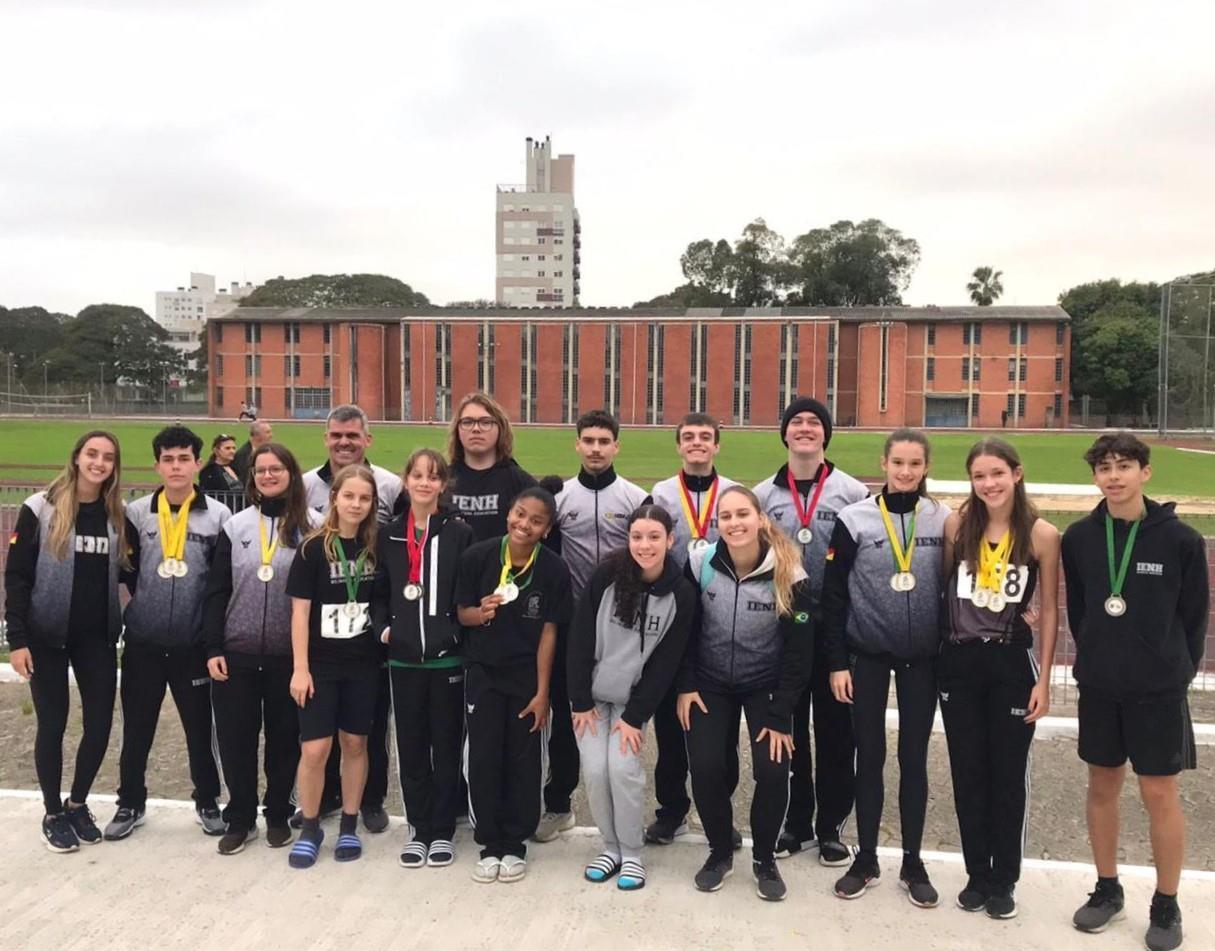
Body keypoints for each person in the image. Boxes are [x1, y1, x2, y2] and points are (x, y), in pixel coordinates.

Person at [1063, 433, 1207, 951]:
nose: (1114, 476)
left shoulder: (1181, 541)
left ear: (1145, 471)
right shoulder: (1079, 537)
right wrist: (1101, 658)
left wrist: (1174, 672)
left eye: (1124, 465)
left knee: (1159, 794)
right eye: (1104, 467)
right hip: (1100, 686)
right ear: (1095, 476)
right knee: (1102, 787)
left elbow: (1193, 619)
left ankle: (1166, 902)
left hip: (1157, 691)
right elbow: (1079, 611)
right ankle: (1107, 889)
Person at [822, 429, 951, 905]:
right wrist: (837, 662)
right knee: (869, 757)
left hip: (923, 660)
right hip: (867, 656)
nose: (905, 471)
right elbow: (834, 597)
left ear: (925, 468)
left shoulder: (943, 517)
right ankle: (868, 857)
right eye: (898, 462)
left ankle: (913, 861)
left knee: (913, 760)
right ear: (884, 462)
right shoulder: (853, 518)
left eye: (915, 464)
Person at [939, 437, 1059, 920]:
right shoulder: (956, 526)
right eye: (979, 476)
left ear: (1017, 473)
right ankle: (976, 874)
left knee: (1007, 776)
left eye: (997, 473)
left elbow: (1049, 609)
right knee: (967, 773)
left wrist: (1045, 679)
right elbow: (944, 591)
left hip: (1011, 663)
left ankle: (1005, 878)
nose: (989, 484)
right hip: (961, 662)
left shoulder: (1042, 535)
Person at [678, 485, 814, 902]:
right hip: (710, 682)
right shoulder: (700, 562)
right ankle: (720, 850)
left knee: (773, 771)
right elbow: (682, 629)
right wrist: (685, 685)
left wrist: (782, 712)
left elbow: (799, 650)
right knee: (705, 766)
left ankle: (765, 858)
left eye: (743, 515)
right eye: (726, 517)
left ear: (760, 519)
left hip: (766, 686)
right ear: (717, 524)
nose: (734, 523)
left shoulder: (789, 572)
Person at [753, 397, 867, 866]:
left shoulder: (853, 492)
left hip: (838, 633)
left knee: (839, 733)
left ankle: (832, 828)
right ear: (784, 434)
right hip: (785, 632)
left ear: (825, 435)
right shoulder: (763, 495)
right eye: (795, 422)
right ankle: (796, 823)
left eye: (814, 422)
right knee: (790, 730)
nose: (804, 428)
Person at [104, 425, 231, 841]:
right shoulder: (137, 513)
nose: (176, 467)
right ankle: (130, 802)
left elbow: (219, 586)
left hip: (192, 645)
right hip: (143, 641)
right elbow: (126, 571)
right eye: (168, 459)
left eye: (184, 459)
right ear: (157, 465)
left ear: (198, 463)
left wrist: (211, 637)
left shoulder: (218, 516)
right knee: (137, 727)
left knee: (200, 728)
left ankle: (208, 800)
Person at [5, 431, 127, 852]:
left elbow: (130, 571)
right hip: (46, 636)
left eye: (108, 457)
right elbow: (17, 577)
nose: (99, 463)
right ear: (77, 457)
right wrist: (16, 638)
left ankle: (77, 803)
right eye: (92, 454)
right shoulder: (40, 508)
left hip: (96, 638)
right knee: (53, 724)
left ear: (114, 466)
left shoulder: (116, 515)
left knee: (99, 724)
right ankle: (52, 812)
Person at [568, 504, 697, 891]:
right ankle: (610, 847)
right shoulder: (608, 575)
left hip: (631, 703)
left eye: (654, 537)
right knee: (594, 770)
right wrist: (579, 701)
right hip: (590, 698)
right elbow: (579, 638)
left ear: (670, 540)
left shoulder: (681, 593)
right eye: (637, 536)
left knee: (622, 769)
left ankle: (632, 852)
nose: (645, 545)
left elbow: (666, 663)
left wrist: (636, 716)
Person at [202, 443, 320, 855]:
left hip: (290, 657)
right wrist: (214, 645)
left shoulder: (315, 526)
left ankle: (275, 813)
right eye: (261, 470)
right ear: (252, 478)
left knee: (285, 739)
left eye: (277, 469)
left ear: (291, 473)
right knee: (237, 740)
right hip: (238, 652)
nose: (268, 476)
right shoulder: (235, 527)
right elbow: (217, 590)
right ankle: (239, 817)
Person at [538, 409, 648, 843]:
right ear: (577, 445)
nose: (597, 449)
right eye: (589, 441)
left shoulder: (635, 498)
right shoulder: (560, 498)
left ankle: (629, 813)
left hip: (622, 625)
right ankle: (559, 805)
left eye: (605, 441)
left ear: (617, 446)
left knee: (626, 714)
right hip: (572, 625)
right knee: (571, 717)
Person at [455, 487, 572, 884]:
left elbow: (549, 634)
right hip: (483, 673)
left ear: (547, 528)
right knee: (484, 757)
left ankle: (516, 842)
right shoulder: (478, 557)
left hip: (527, 679)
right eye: (520, 515)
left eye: (536, 521)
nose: (525, 525)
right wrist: (480, 613)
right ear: (509, 513)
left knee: (524, 760)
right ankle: (489, 842)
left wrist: (542, 693)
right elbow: (461, 614)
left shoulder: (553, 569)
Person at [371, 449, 474, 869]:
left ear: (443, 484)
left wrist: (454, 633)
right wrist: (385, 630)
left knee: (446, 747)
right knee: (411, 748)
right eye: (418, 475)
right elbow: (379, 591)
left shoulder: (459, 532)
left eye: (434, 477)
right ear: (406, 480)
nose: (425, 483)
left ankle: (443, 829)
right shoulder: (389, 534)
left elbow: (466, 591)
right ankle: (419, 829)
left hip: (447, 661)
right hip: (403, 661)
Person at [299, 403, 399, 832]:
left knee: (366, 731)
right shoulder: (304, 487)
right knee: (319, 739)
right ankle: (320, 803)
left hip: (366, 642)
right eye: (336, 435)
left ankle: (368, 801)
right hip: (323, 645)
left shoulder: (392, 485)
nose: (344, 443)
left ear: (367, 439)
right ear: (326, 438)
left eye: (352, 436)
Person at [645, 412, 739, 845]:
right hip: (670, 619)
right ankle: (672, 809)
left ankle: (719, 811)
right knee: (669, 726)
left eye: (705, 436)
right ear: (679, 446)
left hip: (723, 618)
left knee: (721, 730)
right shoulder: (662, 493)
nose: (697, 443)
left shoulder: (736, 493)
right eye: (689, 437)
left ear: (717, 445)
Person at [285, 465, 382, 868]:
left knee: (355, 744)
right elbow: (299, 614)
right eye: (349, 496)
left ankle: (348, 823)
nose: (356, 504)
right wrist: (300, 668)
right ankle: (310, 826)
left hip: (363, 663)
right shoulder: (312, 549)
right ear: (334, 499)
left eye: (364, 498)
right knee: (315, 748)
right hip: (321, 664)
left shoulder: (376, 548)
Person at [446, 391, 537, 542]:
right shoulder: (441, 481)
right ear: (457, 429)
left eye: (485, 422)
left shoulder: (520, 483)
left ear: (500, 428)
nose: (476, 429)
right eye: (467, 422)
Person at [199, 433, 244, 502]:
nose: (232, 451)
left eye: (234, 448)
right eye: (227, 448)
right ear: (216, 451)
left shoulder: (235, 468)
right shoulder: (209, 471)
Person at [232, 420, 273, 485]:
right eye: (267, 432)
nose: (271, 435)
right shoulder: (243, 454)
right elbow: (244, 479)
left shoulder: (269, 450)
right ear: (256, 435)